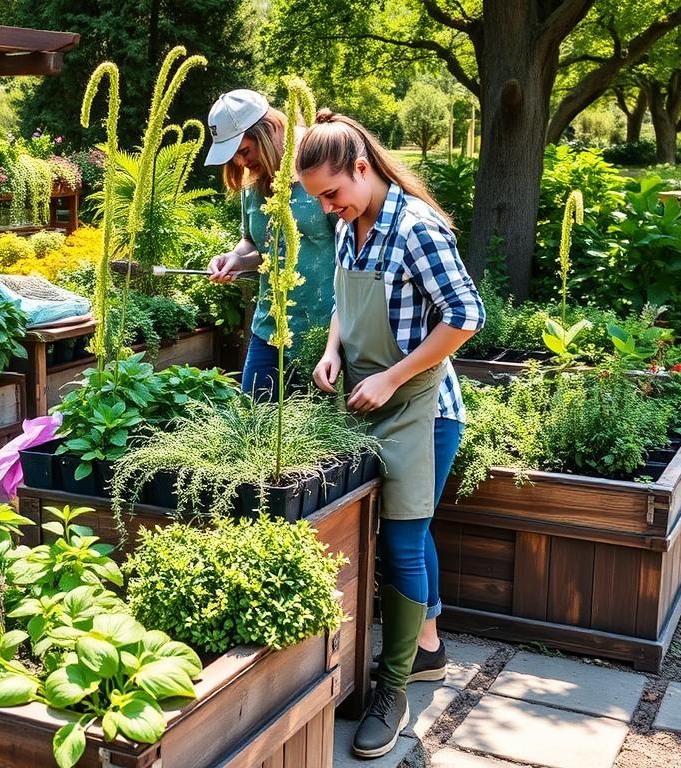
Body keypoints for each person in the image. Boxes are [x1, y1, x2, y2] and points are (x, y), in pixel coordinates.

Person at [296, 110, 484, 759]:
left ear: (362, 168)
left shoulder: (415, 227)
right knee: (402, 530)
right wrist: (331, 350)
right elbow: (346, 305)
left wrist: (391, 378)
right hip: (367, 401)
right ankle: (427, 648)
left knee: (402, 537)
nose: (328, 207)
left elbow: (466, 316)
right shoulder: (355, 225)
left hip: (422, 411)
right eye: (319, 197)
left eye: (331, 192)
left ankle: (393, 687)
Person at [203, 89, 338, 397]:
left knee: (318, 435)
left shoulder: (320, 166)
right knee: (253, 419)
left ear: (268, 131)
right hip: (270, 327)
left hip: (326, 333)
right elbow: (252, 241)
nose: (241, 161)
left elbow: (353, 250)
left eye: (244, 150)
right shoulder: (255, 181)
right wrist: (237, 258)